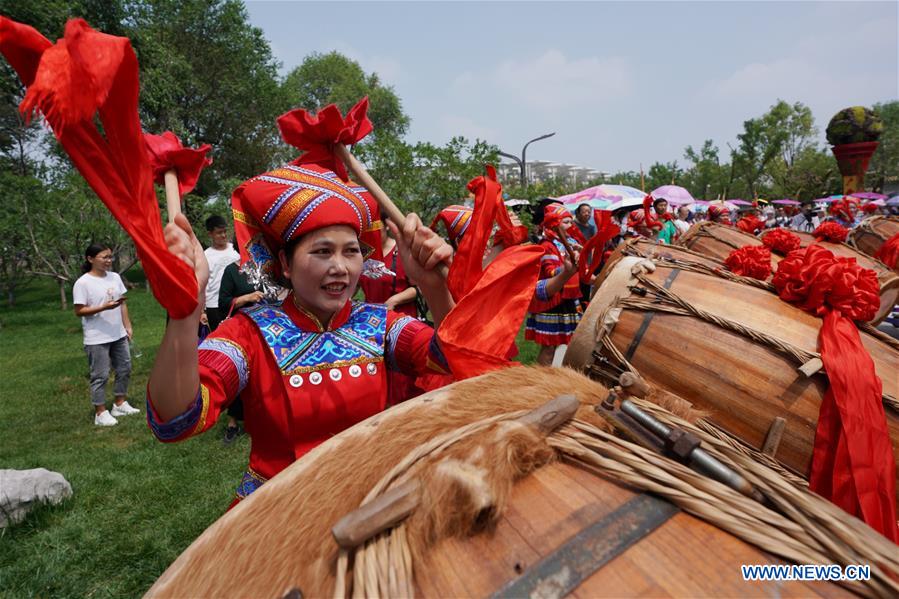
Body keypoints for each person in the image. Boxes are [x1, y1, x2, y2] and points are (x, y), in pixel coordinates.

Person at [147, 163, 455, 504]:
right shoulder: (249, 333)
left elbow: (454, 361)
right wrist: (184, 313)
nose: (340, 267)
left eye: (351, 251)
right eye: (322, 251)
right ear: (286, 264)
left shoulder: (379, 323)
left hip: (373, 500)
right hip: (280, 512)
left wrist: (434, 287)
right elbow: (177, 419)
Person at [72, 243, 140, 426]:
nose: (109, 261)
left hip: (117, 333)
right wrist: (103, 307)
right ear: (90, 259)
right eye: (104, 257)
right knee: (100, 375)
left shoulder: (115, 277)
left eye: (111, 257)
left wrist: (127, 325)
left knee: (124, 368)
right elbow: (79, 310)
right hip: (97, 337)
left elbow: (122, 303)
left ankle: (119, 403)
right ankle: (100, 412)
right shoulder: (83, 283)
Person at [359, 215, 421, 406]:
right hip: (371, 327)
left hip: (400, 322)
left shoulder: (399, 252)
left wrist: (394, 300)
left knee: (401, 382)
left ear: (386, 227)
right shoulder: (364, 256)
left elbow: (418, 287)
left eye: (374, 229)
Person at [525, 203, 581, 366]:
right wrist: (566, 268)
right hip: (553, 301)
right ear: (553, 224)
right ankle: (541, 379)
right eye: (565, 222)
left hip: (569, 298)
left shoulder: (570, 243)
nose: (569, 225)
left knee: (568, 343)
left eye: (571, 222)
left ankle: (559, 377)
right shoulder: (547, 245)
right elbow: (550, 272)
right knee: (549, 347)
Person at [216, 259, 264, 445]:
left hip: (264, 329)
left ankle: (260, 419)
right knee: (240, 374)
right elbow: (223, 302)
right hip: (242, 330)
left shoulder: (264, 268)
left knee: (260, 376)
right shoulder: (231, 271)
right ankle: (232, 423)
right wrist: (247, 298)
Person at [203, 215, 240, 331]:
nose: (223, 236)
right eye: (219, 233)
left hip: (235, 303)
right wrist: (202, 311)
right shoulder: (205, 255)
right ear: (210, 234)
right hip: (214, 306)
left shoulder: (235, 251)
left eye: (225, 232)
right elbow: (203, 284)